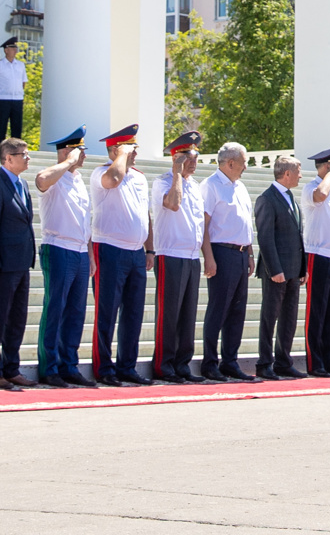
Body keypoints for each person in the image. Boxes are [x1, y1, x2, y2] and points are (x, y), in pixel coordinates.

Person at [90, 124, 154, 387]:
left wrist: (149, 249)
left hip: (136, 252)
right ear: (116, 150)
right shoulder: (102, 173)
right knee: (107, 312)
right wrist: (120, 157)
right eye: (131, 148)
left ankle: (127, 365)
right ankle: (104, 368)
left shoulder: (139, 177)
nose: (135, 153)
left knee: (133, 314)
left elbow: (145, 214)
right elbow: (113, 180)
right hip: (110, 248)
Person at [36, 127, 95, 388]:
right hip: (58, 247)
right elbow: (41, 180)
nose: (82, 156)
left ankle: (68, 364)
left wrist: (90, 255)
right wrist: (67, 161)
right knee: (55, 309)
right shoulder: (56, 175)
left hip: (80, 250)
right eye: (78, 151)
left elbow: (86, 220)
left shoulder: (79, 180)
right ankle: (49, 367)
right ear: (66, 151)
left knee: (75, 312)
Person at [0, 137, 37, 389]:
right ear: (8, 158)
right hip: (3, 264)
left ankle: (11, 367)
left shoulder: (22, 184)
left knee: (17, 317)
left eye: (27, 153)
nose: (28, 158)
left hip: (22, 261)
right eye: (22, 154)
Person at [201, 142, 258, 381]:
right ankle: (210, 363)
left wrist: (251, 253)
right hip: (221, 252)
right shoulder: (211, 186)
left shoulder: (240, 186)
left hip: (241, 252)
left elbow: (245, 222)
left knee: (237, 310)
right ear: (231, 162)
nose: (246, 166)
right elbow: (203, 224)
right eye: (243, 162)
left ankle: (230, 360)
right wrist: (209, 258)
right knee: (218, 309)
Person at [152, 131, 206, 383]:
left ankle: (183, 364)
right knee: (169, 313)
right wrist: (176, 173)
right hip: (170, 254)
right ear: (176, 158)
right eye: (188, 156)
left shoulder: (195, 186)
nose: (193, 161)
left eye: (195, 156)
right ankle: (164, 365)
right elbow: (173, 204)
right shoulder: (163, 182)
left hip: (191, 255)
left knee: (187, 313)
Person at [254, 154, 308, 380]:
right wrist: (274, 270)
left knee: (289, 318)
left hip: (294, 270)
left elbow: (297, 235)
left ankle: (284, 361)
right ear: (287, 173)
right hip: (276, 271)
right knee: (270, 317)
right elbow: (265, 238)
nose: (301, 175)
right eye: (298, 171)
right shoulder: (267, 198)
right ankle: (265, 363)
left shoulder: (291, 198)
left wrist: (303, 268)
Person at [301, 143, 330, 378]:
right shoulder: (312, 187)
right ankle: (315, 362)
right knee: (316, 312)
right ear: (328, 166)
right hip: (318, 254)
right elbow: (320, 195)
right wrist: (329, 174)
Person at [0, 36, 27, 140]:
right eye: (12, 48)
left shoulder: (20, 65)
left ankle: (17, 150)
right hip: (3, 99)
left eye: (16, 48)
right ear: (6, 50)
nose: (15, 50)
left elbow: (23, 82)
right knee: (2, 126)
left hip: (17, 99)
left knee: (17, 127)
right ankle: (1, 150)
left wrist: (19, 93)